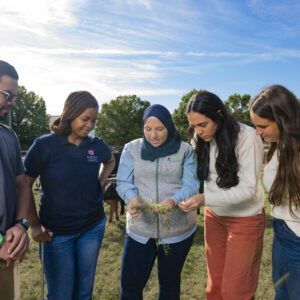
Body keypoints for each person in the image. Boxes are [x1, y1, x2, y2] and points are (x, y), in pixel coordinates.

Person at [24, 91, 115, 300]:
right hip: (56, 234)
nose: (90, 125)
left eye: (94, 120)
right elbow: (24, 185)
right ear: (70, 114)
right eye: (85, 119)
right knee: (60, 295)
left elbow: (110, 161)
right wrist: (35, 224)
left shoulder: (95, 145)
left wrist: (99, 185)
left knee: (84, 292)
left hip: (92, 227)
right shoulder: (44, 145)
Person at [179, 91, 266, 300]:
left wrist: (204, 199)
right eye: (194, 126)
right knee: (215, 288)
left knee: (235, 292)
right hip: (214, 217)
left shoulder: (247, 137)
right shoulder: (199, 139)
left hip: (246, 219)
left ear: (218, 115)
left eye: (203, 124)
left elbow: (247, 190)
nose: (198, 131)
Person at [116, 104, 199, 300]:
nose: (153, 135)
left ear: (168, 127)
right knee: (130, 287)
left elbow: (191, 184)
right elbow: (123, 181)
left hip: (176, 232)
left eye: (159, 129)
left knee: (169, 286)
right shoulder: (132, 149)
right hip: (140, 231)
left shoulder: (185, 150)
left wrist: (174, 200)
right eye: (148, 129)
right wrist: (131, 198)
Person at [250, 85, 300, 300]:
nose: (257, 132)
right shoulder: (280, 145)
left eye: (262, 126)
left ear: (282, 119)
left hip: (296, 237)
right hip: (282, 230)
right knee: (282, 294)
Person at [0, 60, 31, 299]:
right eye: (6, 95)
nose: (12, 102)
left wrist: (21, 225)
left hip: (7, 251)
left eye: (14, 97)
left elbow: (22, 184)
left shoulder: (9, 136)